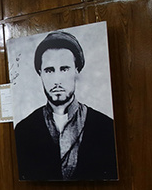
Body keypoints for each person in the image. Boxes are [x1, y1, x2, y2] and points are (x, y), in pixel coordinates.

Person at [14, 30, 118, 181]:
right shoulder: (24, 130)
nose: (57, 80)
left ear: (77, 70)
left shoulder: (105, 126)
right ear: (40, 73)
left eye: (64, 69)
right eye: (49, 70)